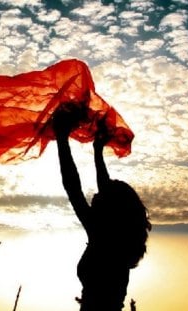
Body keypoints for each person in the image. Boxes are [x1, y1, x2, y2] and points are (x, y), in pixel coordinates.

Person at [52, 104, 151, 311]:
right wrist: (97, 152)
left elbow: (73, 186)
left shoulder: (102, 236)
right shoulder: (116, 239)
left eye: (101, 196)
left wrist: (62, 139)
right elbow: (105, 187)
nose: (96, 194)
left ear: (111, 209)